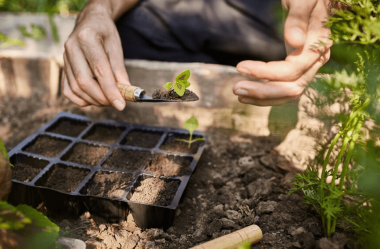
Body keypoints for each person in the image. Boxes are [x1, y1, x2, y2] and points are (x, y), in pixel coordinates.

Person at [62, 0, 332, 110]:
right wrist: (98, 9)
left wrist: (327, 9)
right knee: (127, 33)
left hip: (269, 18)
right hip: (180, 10)